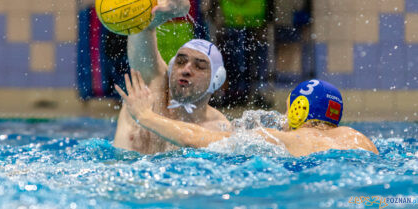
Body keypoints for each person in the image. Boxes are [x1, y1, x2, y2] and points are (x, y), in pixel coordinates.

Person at [113, 0, 232, 154]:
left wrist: (146, 117)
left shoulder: (219, 128)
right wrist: (173, 12)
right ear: (170, 67)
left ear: (216, 79)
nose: (186, 69)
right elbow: (140, 29)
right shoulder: (150, 89)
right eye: (181, 61)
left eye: (200, 66)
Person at [116, 73, 379, 157]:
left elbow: (197, 138)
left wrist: (146, 117)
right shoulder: (359, 139)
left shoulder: (281, 139)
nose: (284, 118)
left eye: (288, 109)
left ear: (300, 109)